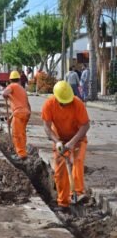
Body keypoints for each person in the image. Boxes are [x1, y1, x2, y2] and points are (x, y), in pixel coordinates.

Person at [41, 81, 90, 212]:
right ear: (56, 98)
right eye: (63, 102)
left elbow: (85, 126)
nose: (66, 104)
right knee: (60, 171)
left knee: (77, 160)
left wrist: (72, 143)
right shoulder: (49, 104)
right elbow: (46, 126)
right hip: (60, 140)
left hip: (78, 139)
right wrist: (57, 141)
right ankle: (63, 203)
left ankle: (78, 194)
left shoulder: (77, 104)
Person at [2, 70, 31, 162]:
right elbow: (25, 105)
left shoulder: (12, 86)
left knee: (17, 135)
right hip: (25, 113)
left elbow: (4, 93)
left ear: (10, 80)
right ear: (19, 79)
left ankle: (21, 154)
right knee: (22, 134)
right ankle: (23, 152)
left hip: (19, 113)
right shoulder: (22, 89)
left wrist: (5, 95)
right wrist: (10, 118)